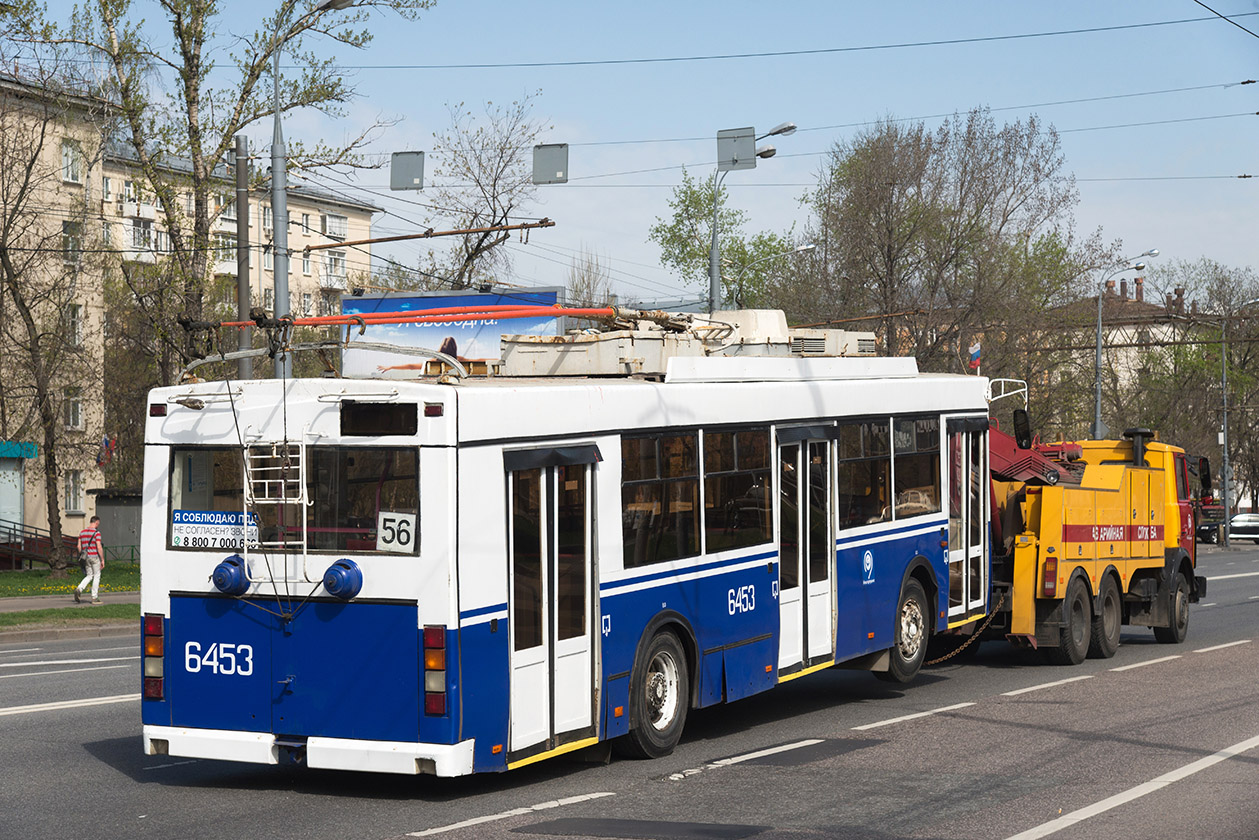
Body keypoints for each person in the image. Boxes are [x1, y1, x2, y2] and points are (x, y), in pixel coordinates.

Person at [74, 516, 104, 605]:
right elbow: (99, 546)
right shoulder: (96, 533)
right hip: (94, 557)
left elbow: (78, 546)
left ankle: (79, 588)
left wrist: (82, 554)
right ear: (97, 522)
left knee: (89, 575)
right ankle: (94, 597)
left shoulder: (82, 533)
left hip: (86, 558)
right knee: (96, 576)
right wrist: (102, 559)